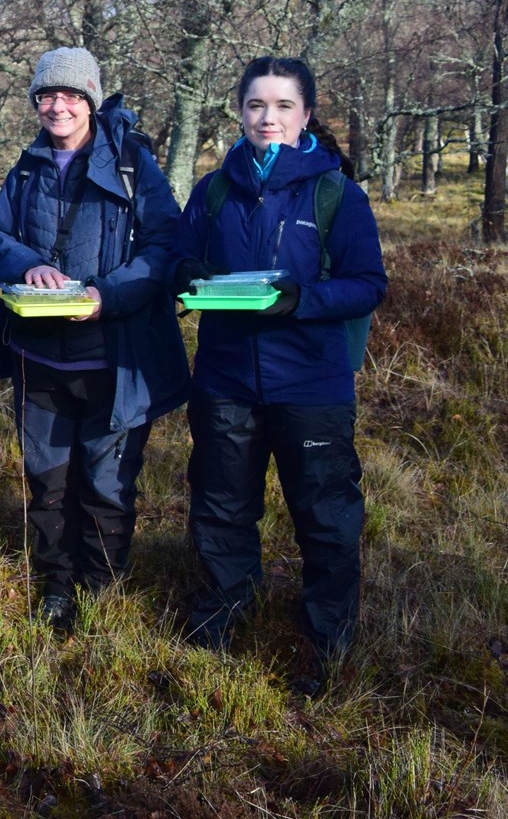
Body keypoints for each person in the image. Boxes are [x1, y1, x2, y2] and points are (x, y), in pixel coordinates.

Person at [172, 56, 385, 689]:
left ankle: (326, 640)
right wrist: (186, 280)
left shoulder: (336, 193)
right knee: (221, 506)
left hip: (312, 386)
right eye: (257, 106)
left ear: (307, 115)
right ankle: (220, 619)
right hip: (225, 380)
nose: (269, 118)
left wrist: (301, 299)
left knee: (324, 515)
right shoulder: (214, 190)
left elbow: (367, 284)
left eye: (283, 106)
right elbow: (183, 260)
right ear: (239, 112)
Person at [0, 48, 189, 632]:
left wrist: (105, 296)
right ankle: (56, 587)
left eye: (70, 96)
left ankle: (102, 590)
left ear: (90, 100)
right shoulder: (25, 168)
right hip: (38, 355)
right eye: (47, 96)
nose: (58, 106)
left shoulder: (132, 164)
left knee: (107, 482)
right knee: (47, 480)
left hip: (114, 358)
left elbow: (164, 248)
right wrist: (27, 266)